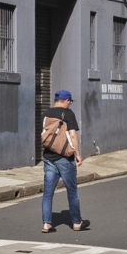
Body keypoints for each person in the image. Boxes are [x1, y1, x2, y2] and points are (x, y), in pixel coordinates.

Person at [38, 90, 88, 234]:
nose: (70, 104)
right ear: (66, 100)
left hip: (48, 158)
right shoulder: (68, 114)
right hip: (65, 158)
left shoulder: (45, 114)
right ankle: (77, 222)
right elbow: (73, 135)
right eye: (70, 101)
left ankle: (46, 224)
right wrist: (78, 154)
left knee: (48, 192)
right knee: (72, 191)